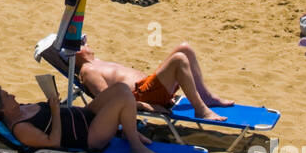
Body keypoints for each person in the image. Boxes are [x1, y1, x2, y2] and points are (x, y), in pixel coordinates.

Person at [0, 80, 158, 153]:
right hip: (88, 135)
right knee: (124, 98)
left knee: (120, 88)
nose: (13, 95)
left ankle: (129, 132)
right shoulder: (21, 128)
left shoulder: (20, 108)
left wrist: (52, 100)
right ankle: (136, 146)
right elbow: (53, 142)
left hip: (84, 114)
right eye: (7, 96)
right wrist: (55, 111)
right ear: (3, 108)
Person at [74, 42, 232, 121]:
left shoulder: (97, 62)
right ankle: (201, 110)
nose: (87, 43)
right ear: (76, 53)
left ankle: (206, 97)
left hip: (150, 87)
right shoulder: (88, 70)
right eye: (82, 43)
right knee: (179, 59)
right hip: (143, 95)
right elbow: (107, 99)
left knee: (185, 48)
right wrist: (146, 106)